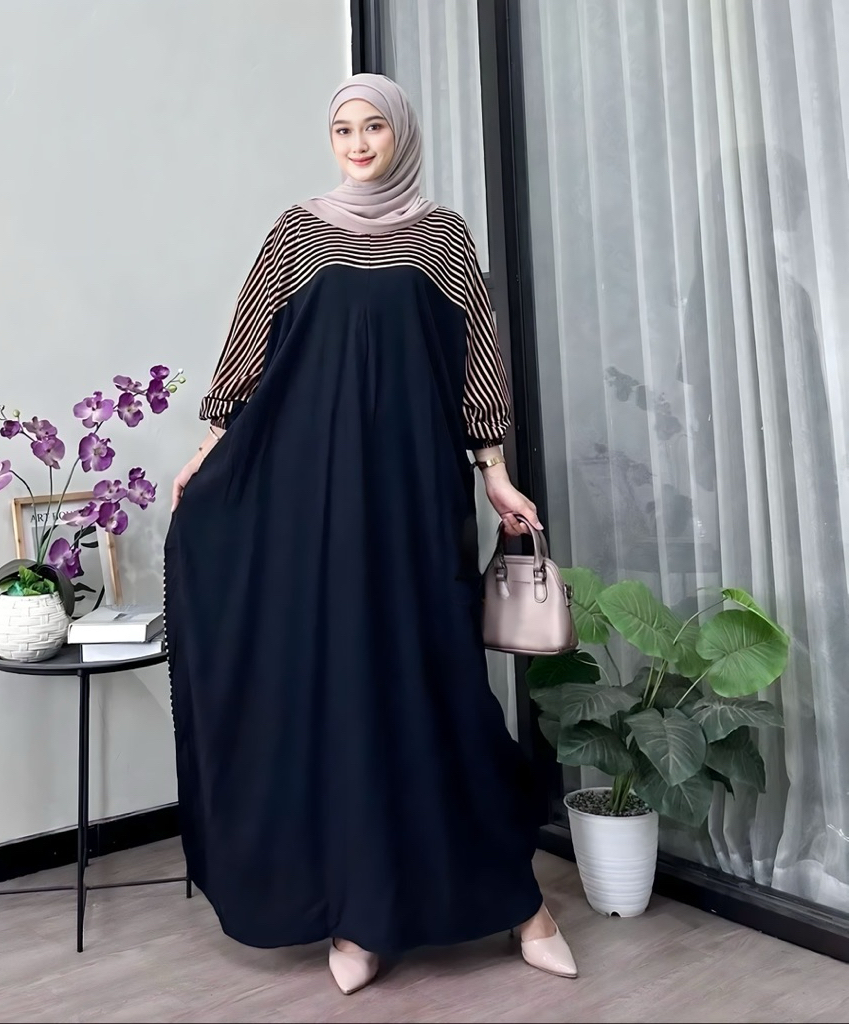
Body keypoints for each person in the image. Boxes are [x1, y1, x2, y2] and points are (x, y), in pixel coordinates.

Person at [164, 73, 577, 995]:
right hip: (314, 499)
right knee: (344, 689)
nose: (357, 144)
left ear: (401, 136)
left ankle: (522, 904)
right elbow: (250, 347)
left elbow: (478, 362)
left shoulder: (442, 237)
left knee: (438, 687)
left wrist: (496, 473)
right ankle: (360, 915)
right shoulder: (298, 233)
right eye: (343, 129)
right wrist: (210, 447)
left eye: (373, 128)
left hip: (415, 494)